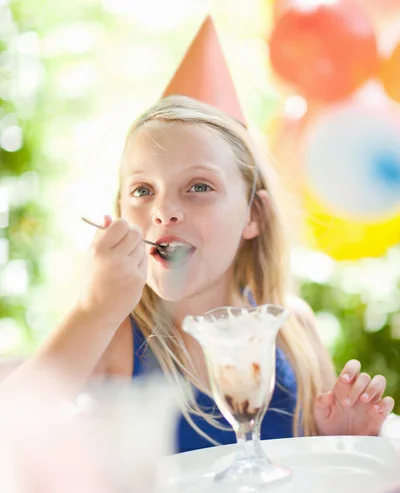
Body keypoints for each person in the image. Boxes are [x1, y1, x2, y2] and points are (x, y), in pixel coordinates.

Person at [1, 94, 394, 452]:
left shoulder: (294, 330)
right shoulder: (115, 338)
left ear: (252, 215)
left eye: (199, 186)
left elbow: (321, 487)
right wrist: (95, 309)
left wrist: (342, 441)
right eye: (142, 190)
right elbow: (13, 429)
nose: (164, 209)